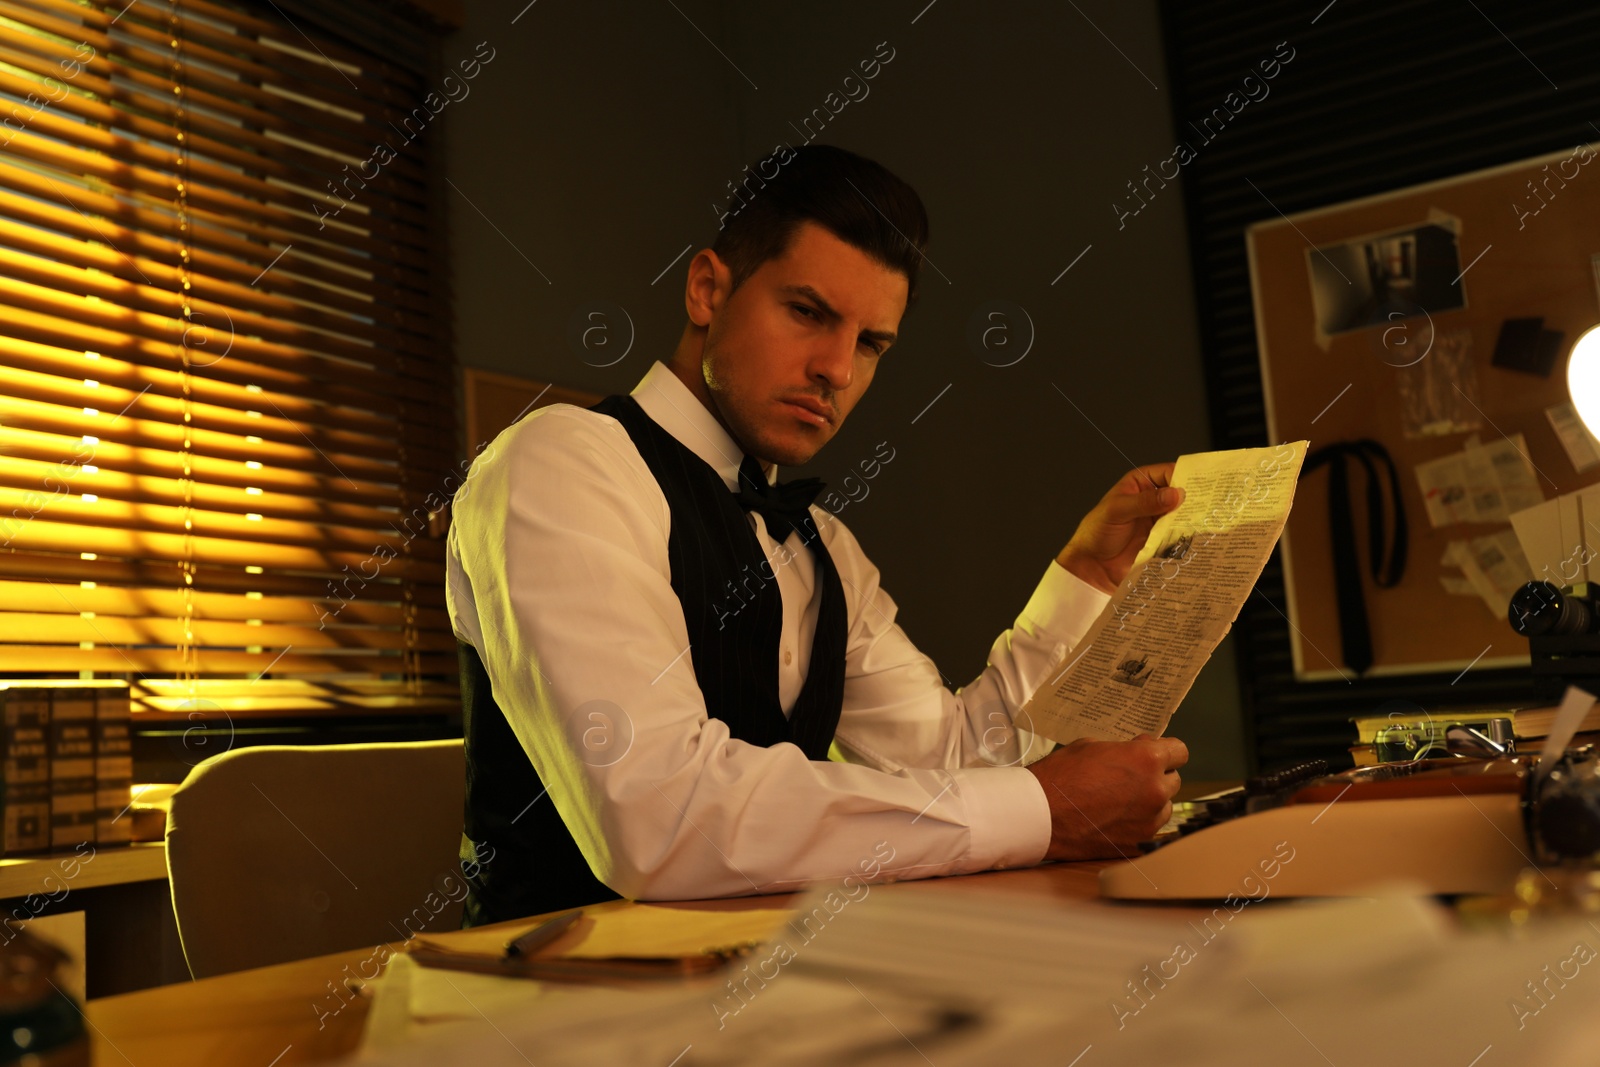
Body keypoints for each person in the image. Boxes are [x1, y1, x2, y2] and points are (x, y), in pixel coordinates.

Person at [447, 144, 1189, 927]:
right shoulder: (560, 464)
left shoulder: (823, 546)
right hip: (555, 1012)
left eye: (871, 344)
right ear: (707, 289)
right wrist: (1041, 805)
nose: (837, 368)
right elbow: (658, 817)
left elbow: (959, 765)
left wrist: (1088, 580)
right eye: (808, 313)